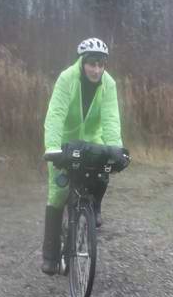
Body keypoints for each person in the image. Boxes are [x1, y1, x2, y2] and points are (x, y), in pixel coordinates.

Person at [41, 37, 125, 275]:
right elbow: (55, 115)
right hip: (64, 142)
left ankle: (94, 206)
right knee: (58, 193)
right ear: (83, 62)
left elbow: (110, 119)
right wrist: (52, 147)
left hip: (92, 140)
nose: (96, 70)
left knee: (102, 170)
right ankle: (50, 255)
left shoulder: (109, 84)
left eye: (100, 64)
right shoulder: (67, 78)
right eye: (91, 64)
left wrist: (115, 149)